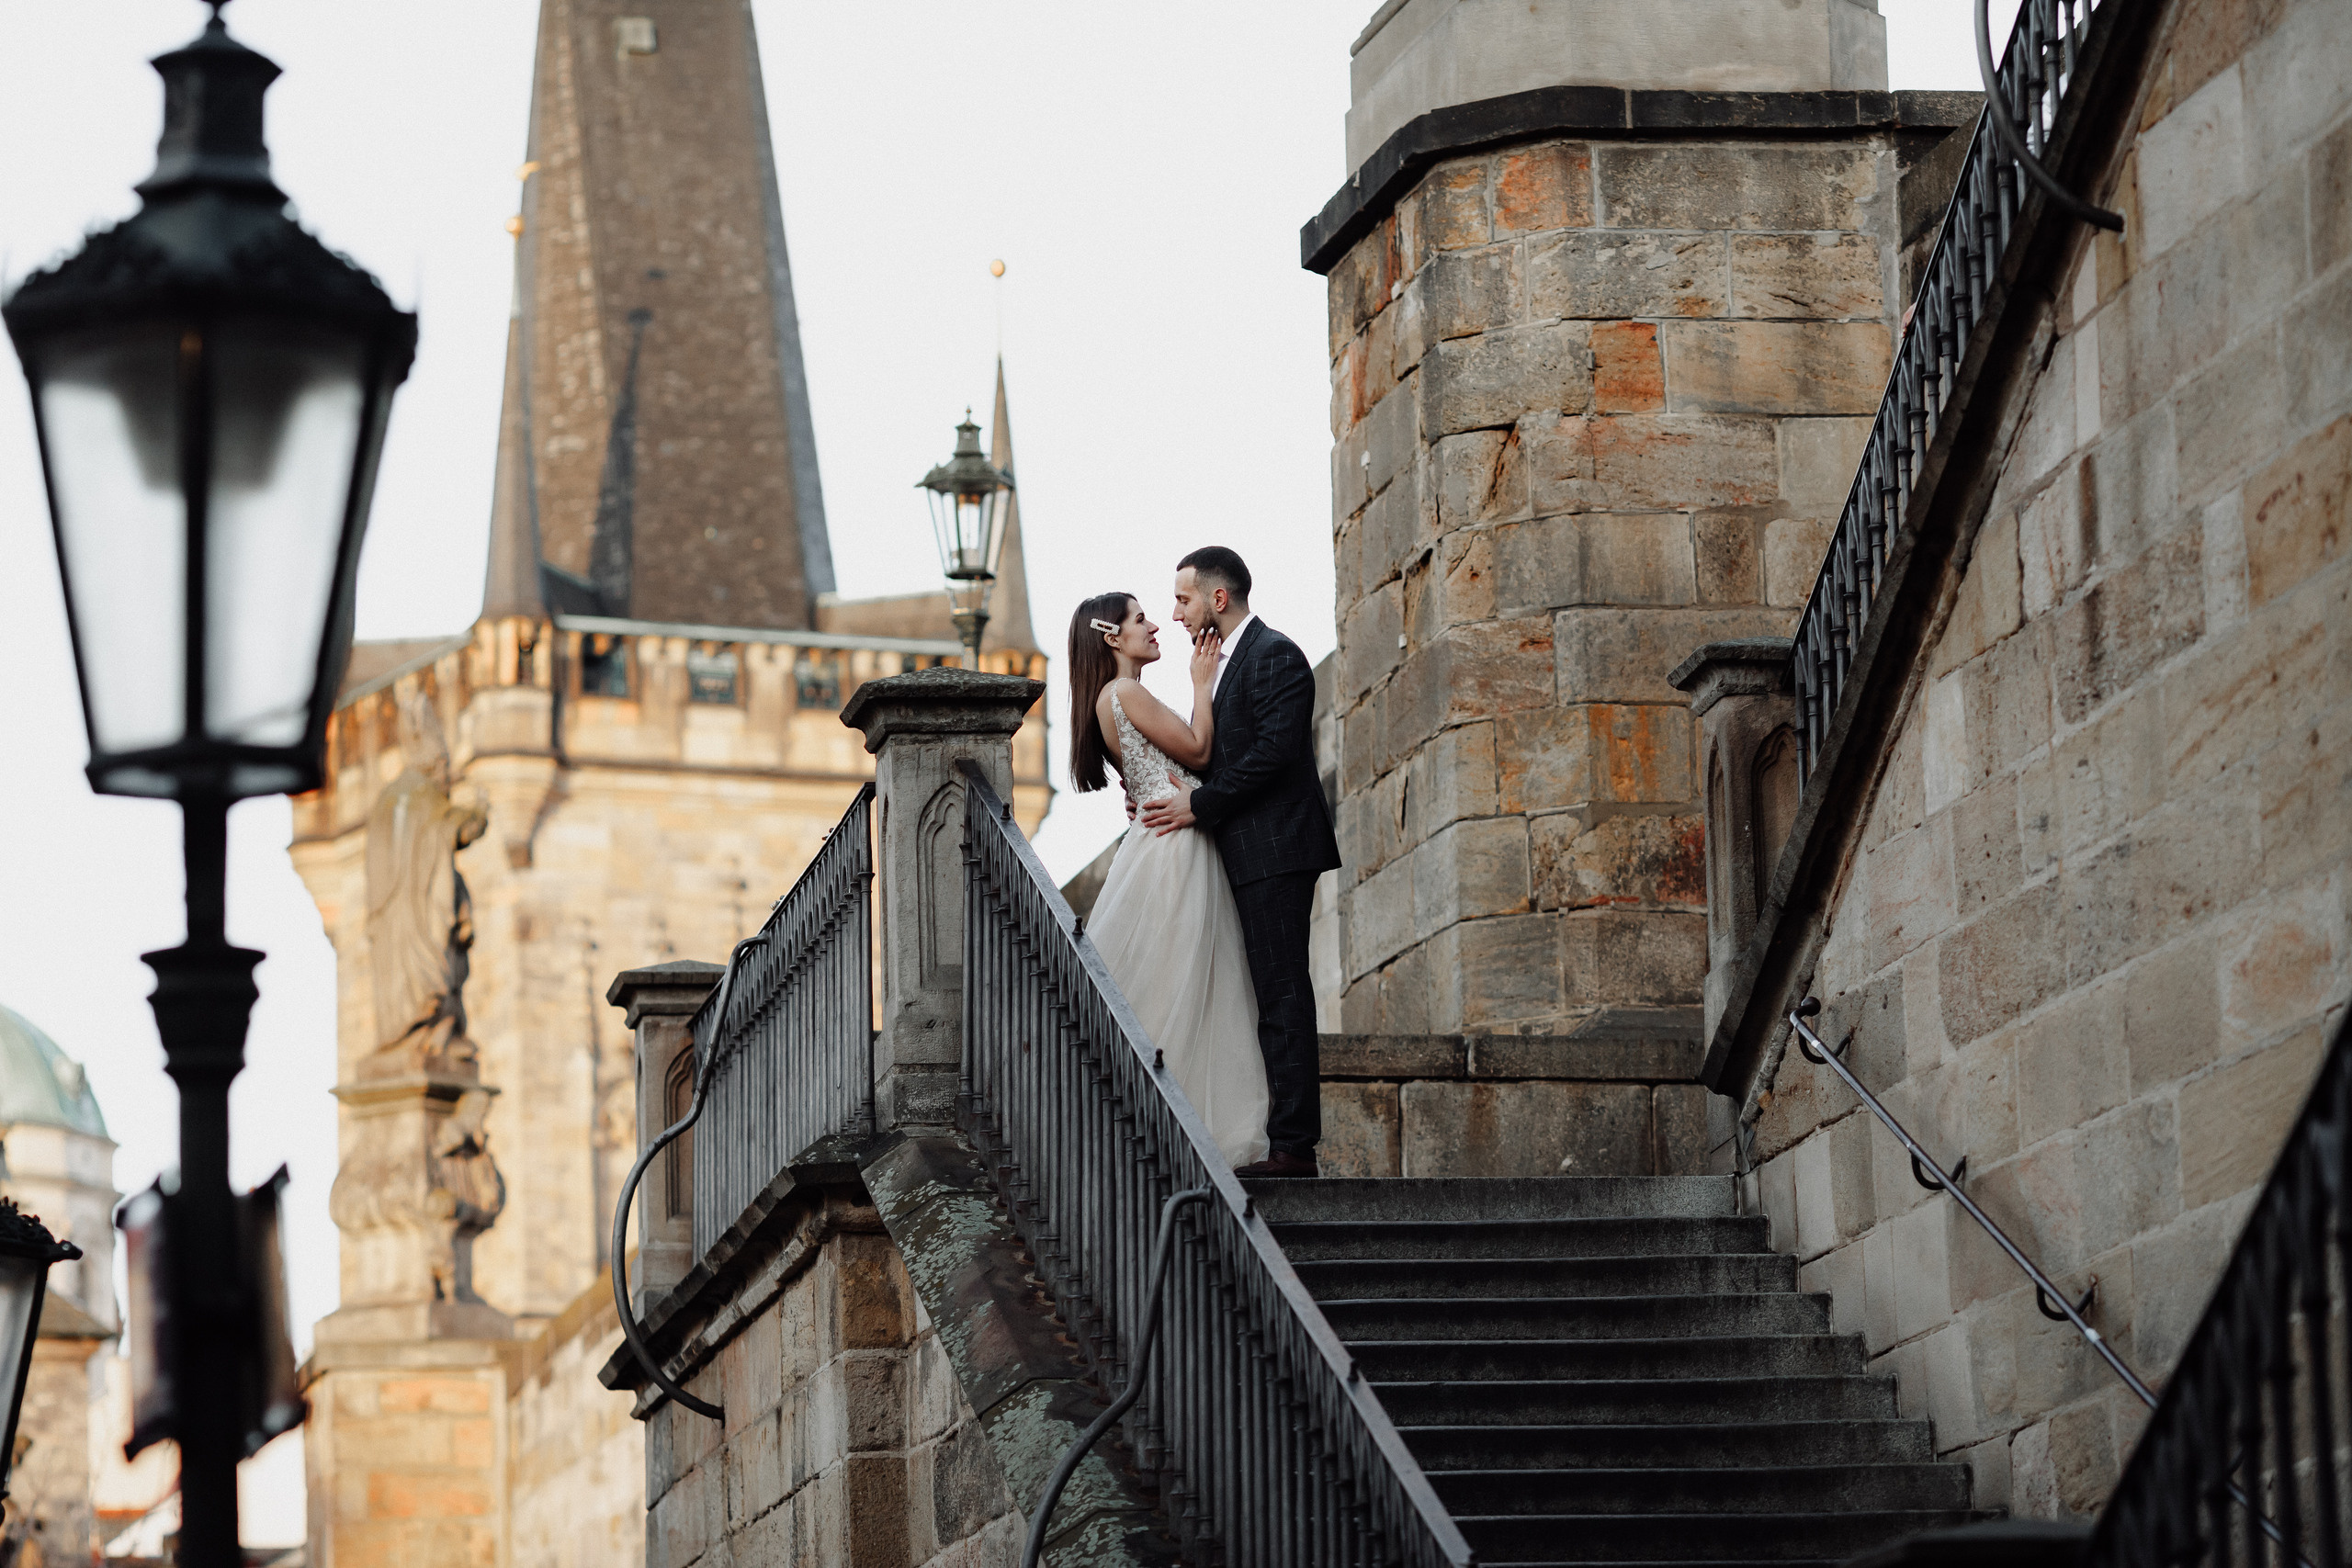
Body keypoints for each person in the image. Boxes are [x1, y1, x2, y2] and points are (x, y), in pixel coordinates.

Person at [1140, 547, 1340, 1179]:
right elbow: (1217, 754)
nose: (1174, 613)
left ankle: (1293, 1147)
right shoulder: (1221, 665)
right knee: (1265, 993)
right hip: (1246, 850)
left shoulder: (1275, 653)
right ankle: (1277, 1135)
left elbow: (1275, 755)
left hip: (1277, 848)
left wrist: (1199, 803)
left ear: (1217, 599)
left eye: (1182, 599)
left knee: (1282, 992)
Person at [1067, 591, 1270, 1168]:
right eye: (1139, 619)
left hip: (1159, 837)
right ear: (1112, 637)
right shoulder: (1125, 691)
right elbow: (1201, 753)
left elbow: (1156, 772)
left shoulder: (1108, 699)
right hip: (1176, 845)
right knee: (1193, 985)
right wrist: (1202, 682)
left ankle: (1168, 1127)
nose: (1155, 625)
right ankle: (1188, 1128)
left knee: (1172, 984)